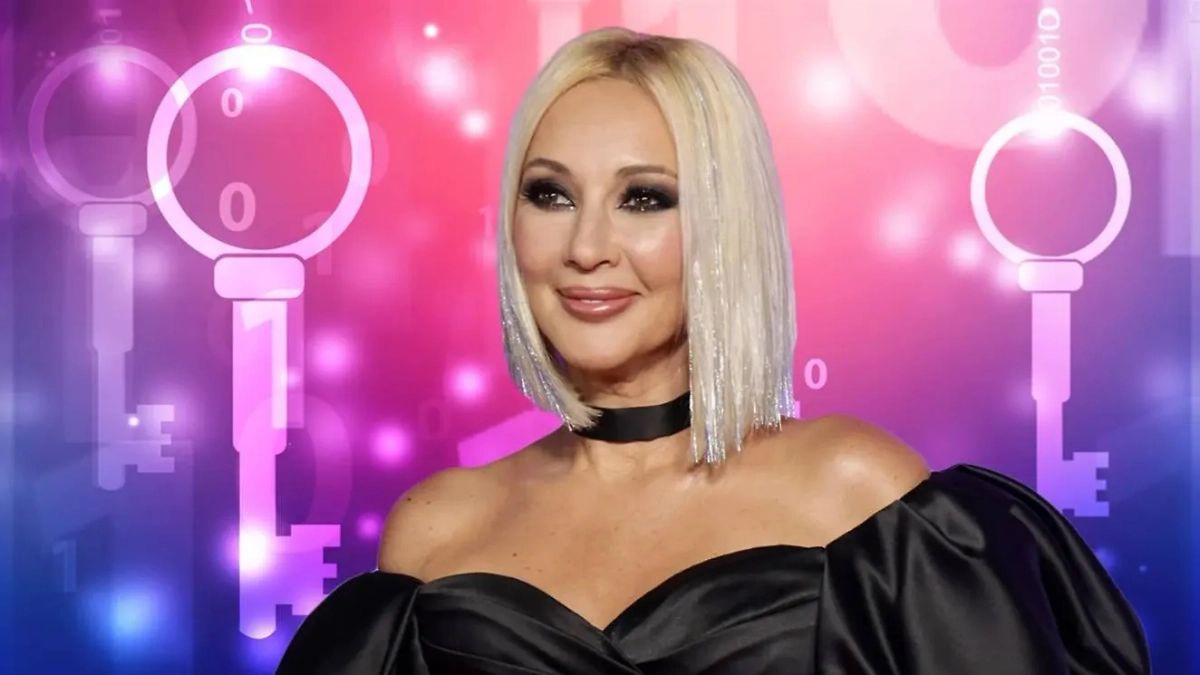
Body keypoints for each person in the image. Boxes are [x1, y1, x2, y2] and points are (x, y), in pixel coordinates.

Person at [275, 27, 1150, 674]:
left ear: (725, 227)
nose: (587, 247)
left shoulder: (859, 497)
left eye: (645, 199)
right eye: (550, 194)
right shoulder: (437, 532)